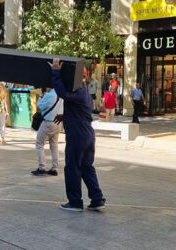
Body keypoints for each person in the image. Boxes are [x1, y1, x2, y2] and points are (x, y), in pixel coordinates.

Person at [49, 58, 105, 212]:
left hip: (78, 135)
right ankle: (97, 198)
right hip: (87, 134)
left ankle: (75, 202)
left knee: (72, 167)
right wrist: (64, 117)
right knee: (87, 167)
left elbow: (61, 92)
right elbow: (77, 110)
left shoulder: (78, 89)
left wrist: (55, 72)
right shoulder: (84, 92)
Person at [31, 87, 64, 176]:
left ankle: (42, 167)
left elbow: (39, 106)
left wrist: (41, 95)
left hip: (48, 122)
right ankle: (54, 168)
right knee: (54, 145)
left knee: (39, 144)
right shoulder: (61, 94)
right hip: (58, 123)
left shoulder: (50, 95)